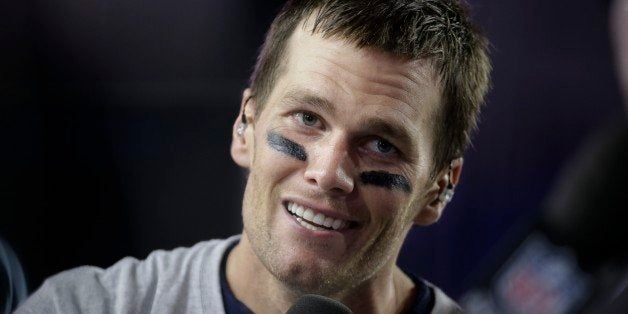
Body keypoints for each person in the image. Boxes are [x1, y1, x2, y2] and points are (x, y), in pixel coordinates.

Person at [16, 0, 490, 312]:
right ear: (245, 126)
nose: (327, 174)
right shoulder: (83, 307)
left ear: (438, 189)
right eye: (306, 118)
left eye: (382, 145)